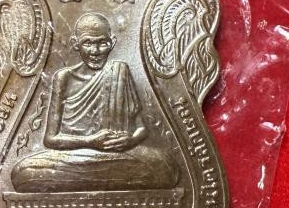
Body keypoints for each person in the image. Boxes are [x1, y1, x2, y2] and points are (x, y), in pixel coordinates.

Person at [11, 13, 178, 193]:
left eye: (102, 43)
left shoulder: (119, 71)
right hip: (74, 156)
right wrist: (91, 141)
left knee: (166, 167)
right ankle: (110, 180)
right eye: (88, 43)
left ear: (112, 43)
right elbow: (50, 139)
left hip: (117, 155)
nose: (95, 51)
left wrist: (130, 140)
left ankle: (91, 180)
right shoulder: (64, 78)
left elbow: (141, 129)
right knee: (23, 172)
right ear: (76, 44)